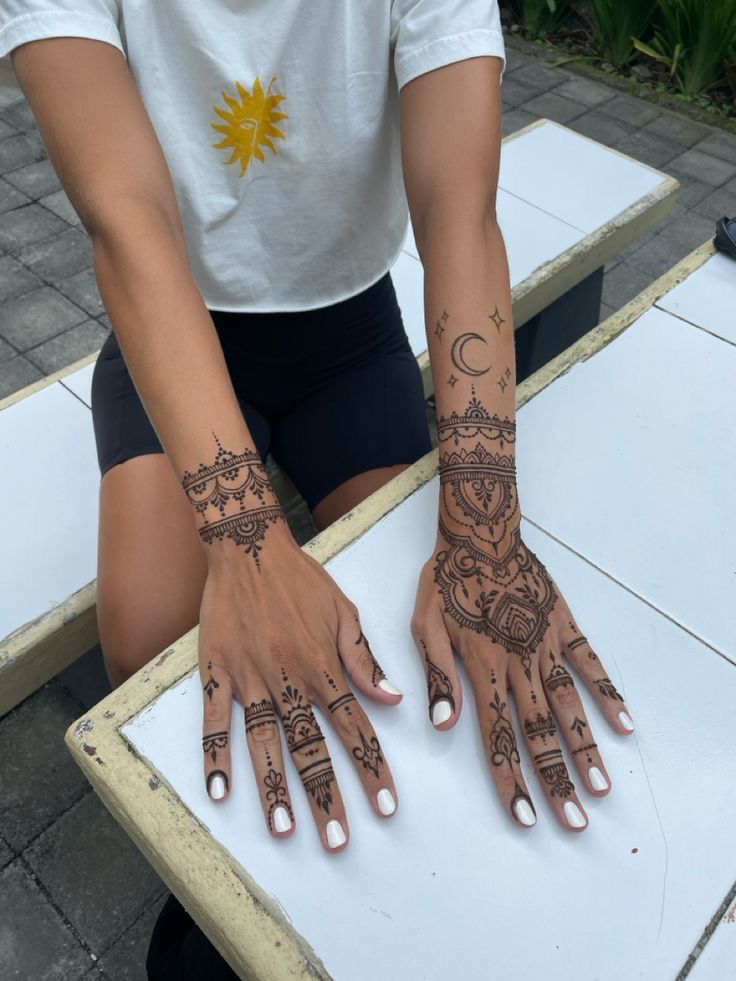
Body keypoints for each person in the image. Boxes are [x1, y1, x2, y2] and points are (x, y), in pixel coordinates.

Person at [2, 0, 636, 976]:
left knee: (411, 657)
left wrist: (483, 534)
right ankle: (208, 918)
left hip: (349, 341)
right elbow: (126, 218)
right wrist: (250, 549)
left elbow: (458, 208)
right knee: (157, 651)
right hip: (172, 336)